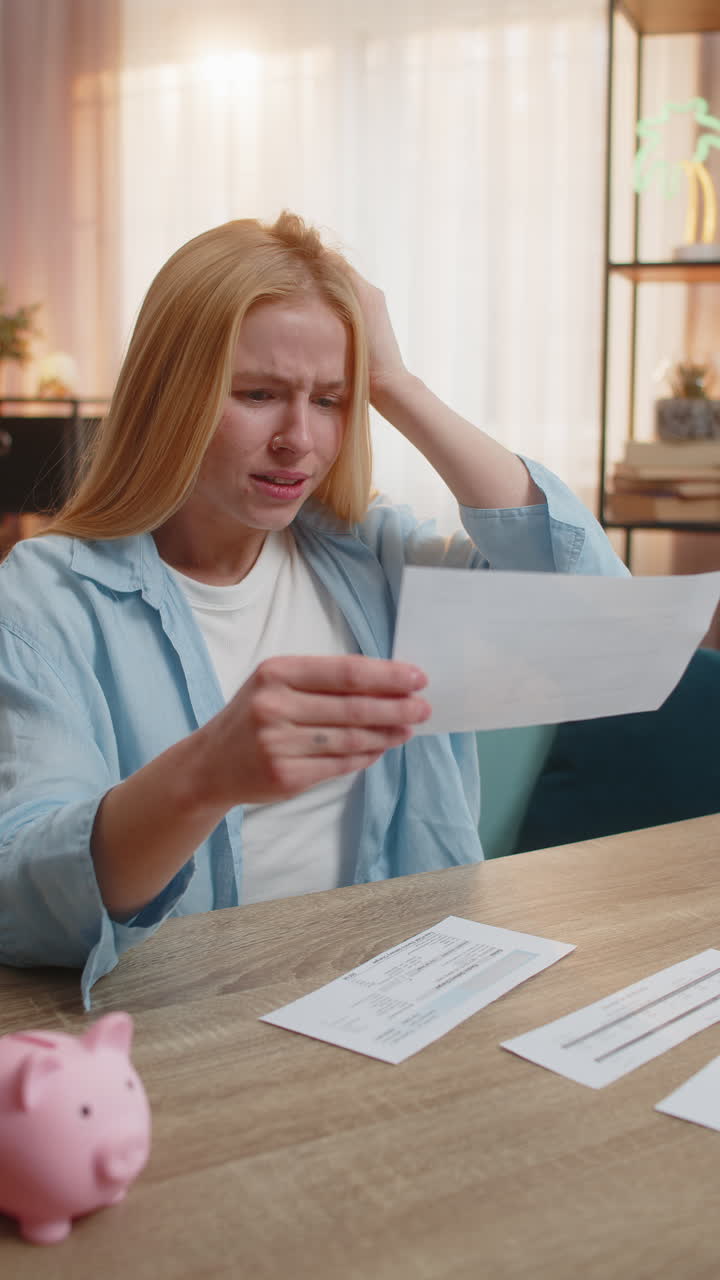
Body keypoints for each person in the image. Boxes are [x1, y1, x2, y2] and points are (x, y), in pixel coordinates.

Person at [0, 212, 628, 1007]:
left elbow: (601, 620)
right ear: (169, 399)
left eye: (330, 400)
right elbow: (24, 899)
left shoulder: (377, 559)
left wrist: (397, 385)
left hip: (398, 1004)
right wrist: (206, 775)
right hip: (179, 1024)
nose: (299, 438)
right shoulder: (46, 598)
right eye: (259, 395)